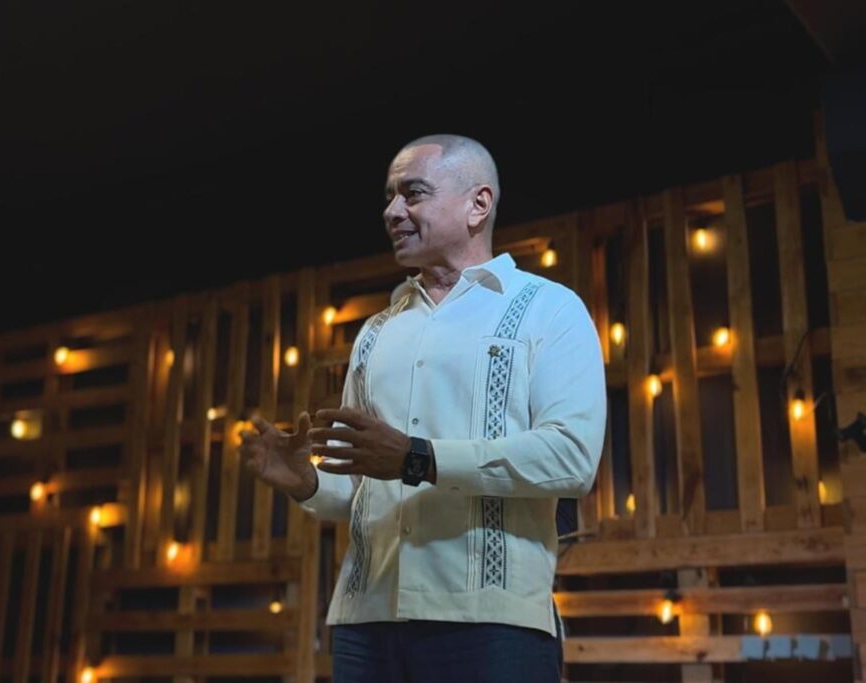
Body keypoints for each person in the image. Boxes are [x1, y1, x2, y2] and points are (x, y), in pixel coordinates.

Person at [240, 134, 606, 682]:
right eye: (389, 197)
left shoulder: (548, 309)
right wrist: (307, 482)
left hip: (491, 625)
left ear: (478, 204)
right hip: (367, 622)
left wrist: (417, 457)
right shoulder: (376, 331)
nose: (392, 212)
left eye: (412, 193)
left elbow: (571, 458)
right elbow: (365, 489)